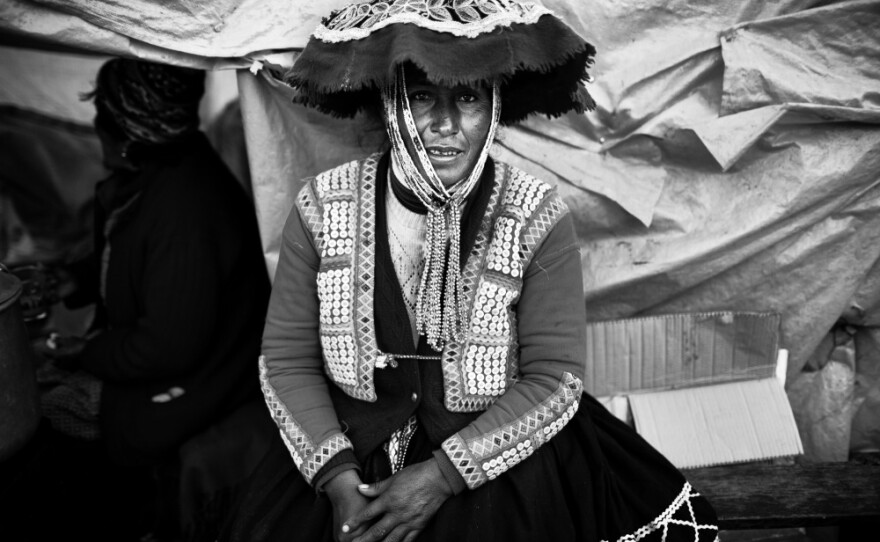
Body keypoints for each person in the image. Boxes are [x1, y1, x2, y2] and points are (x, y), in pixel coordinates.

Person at [220, 1, 720, 541]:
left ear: (494, 107)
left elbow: (555, 377)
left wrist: (442, 476)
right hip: (349, 456)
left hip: (496, 460)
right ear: (391, 105)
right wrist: (338, 480)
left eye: (467, 97)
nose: (445, 125)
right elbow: (288, 362)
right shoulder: (323, 206)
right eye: (421, 98)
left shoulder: (535, 214)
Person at [0, 58, 272, 541]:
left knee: (40, 413)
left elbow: (165, 348)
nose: (94, 125)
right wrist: (68, 280)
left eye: (102, 116)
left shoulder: (184, 210)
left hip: (196, 384)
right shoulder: (161, 167)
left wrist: (81, 351)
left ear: (128, 132)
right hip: (170, 362)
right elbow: (128, 259)